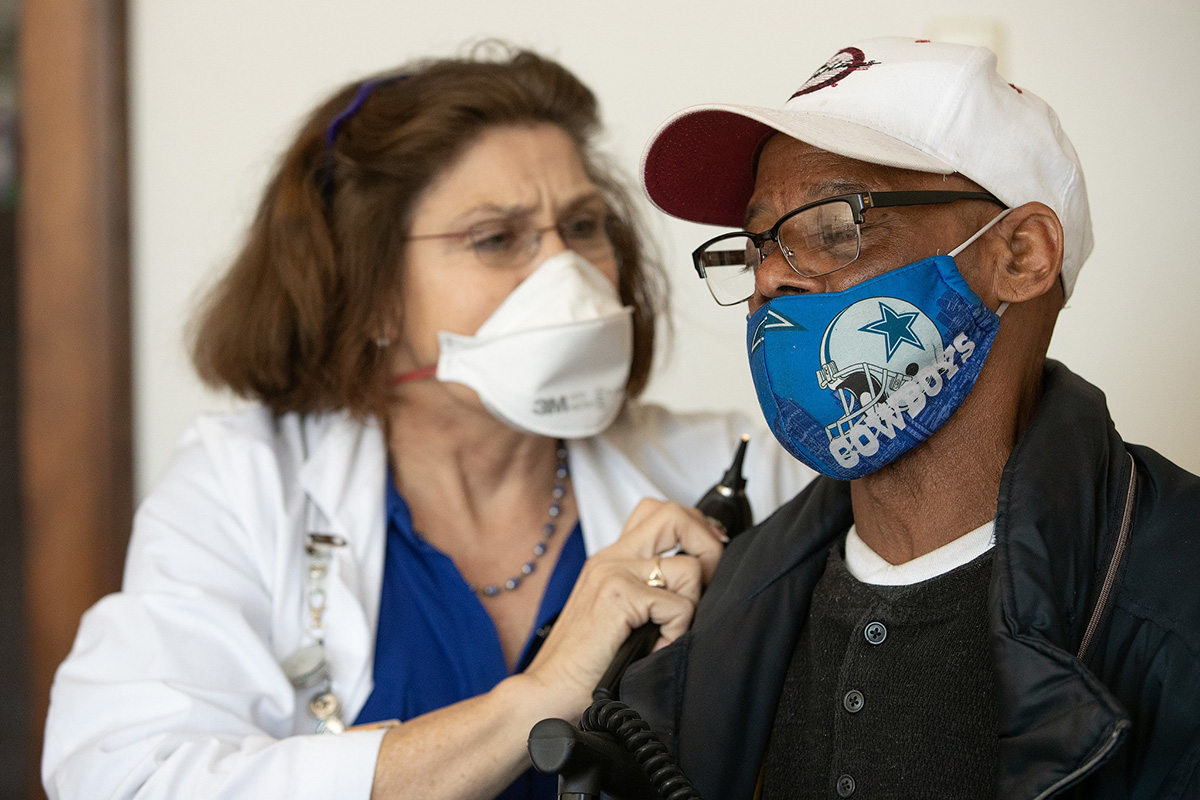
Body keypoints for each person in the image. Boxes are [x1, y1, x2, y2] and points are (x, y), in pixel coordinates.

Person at [41, 47, 813, 800]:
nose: (567, 276)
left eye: (582, 228)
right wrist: (536, 699)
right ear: (370, 291)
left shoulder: (733, 466)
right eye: (497, 238)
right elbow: (125, 775)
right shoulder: (242, 485)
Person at [619, 37, 1200, 799]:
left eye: (832, 228)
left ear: (1021, 254)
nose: (766, 276)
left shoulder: (1176, 591)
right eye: (759, 240)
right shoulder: (724, 609)